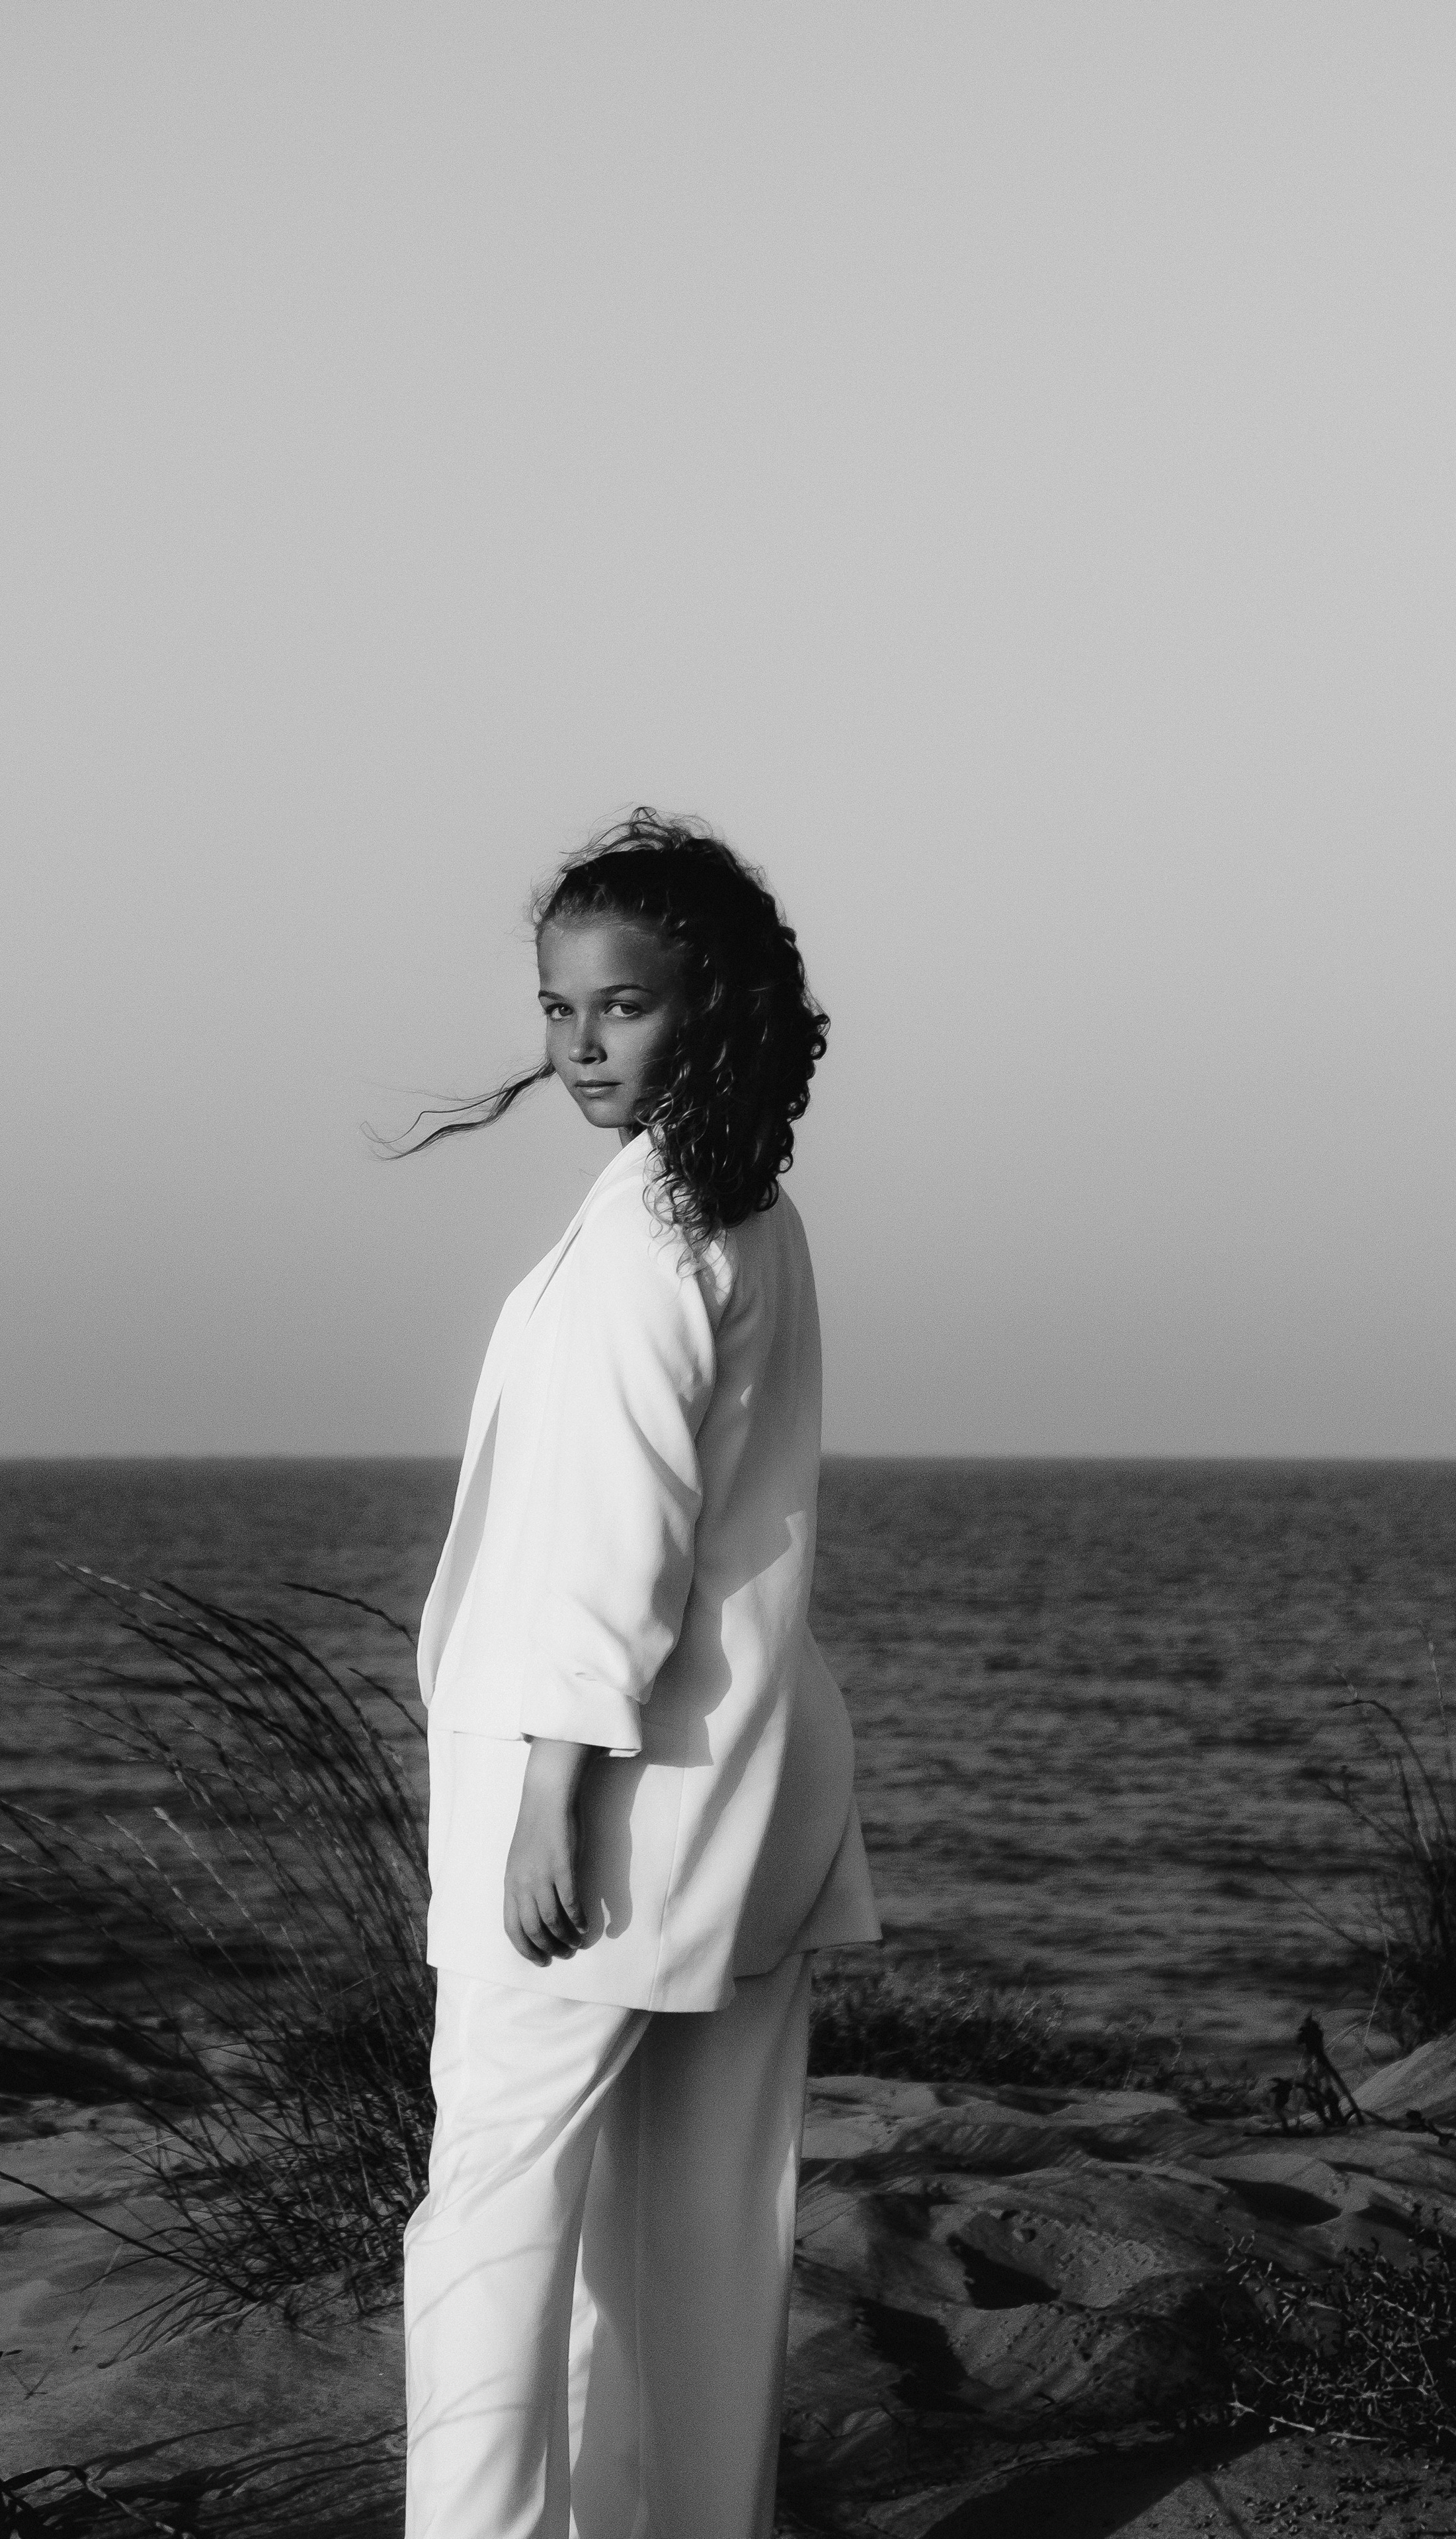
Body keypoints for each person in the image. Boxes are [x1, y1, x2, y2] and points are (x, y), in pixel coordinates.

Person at [396, 811, 880, 2539]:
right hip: (741, 1809)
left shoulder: (649, 1240)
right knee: (689, 2237)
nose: (577, 1048)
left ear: (713, 1007)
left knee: (496, 2232)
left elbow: (612, 1541)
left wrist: (548, 1796)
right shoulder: (752, 1212)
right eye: (556, 1010)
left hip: (599, 1826)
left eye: (621, 1008)